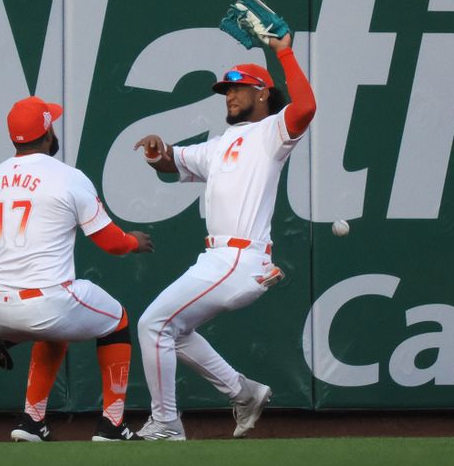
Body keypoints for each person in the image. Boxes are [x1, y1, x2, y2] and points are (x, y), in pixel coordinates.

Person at [133, 32, 316, 440]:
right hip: (217, 259)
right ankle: (243, 391)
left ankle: (166, 423)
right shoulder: (219, 145)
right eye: (226, 90)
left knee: (153, 324)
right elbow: (171, 161)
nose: (229, 95)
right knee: (173, 332)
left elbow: (305, 107)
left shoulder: (272, 133)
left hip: (239, 259)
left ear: (263, 94)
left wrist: (283, 51)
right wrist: (156, 152)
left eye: (238, 89)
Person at [0, 96, 153, 442]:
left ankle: (31, 420)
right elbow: (110, 242)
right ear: (46, 132)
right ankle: (113, 424)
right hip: (49, 301)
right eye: (51, 123)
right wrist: (133, 241)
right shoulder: (68, 177)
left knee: (55, 334)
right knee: (116, 320)